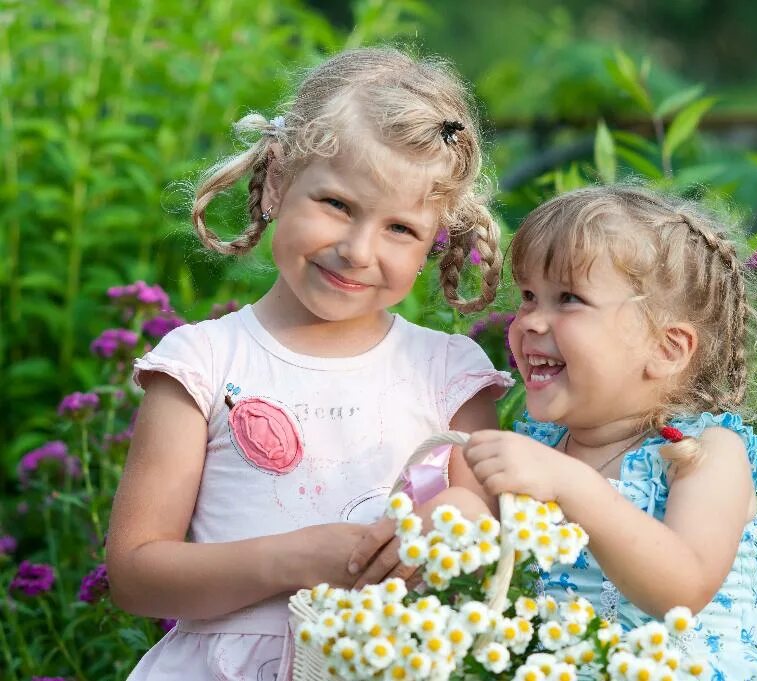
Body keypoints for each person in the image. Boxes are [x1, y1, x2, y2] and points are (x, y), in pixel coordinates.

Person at [107, 47, 512, 680]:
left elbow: (496, 525)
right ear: (276, 183)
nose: (357, 251)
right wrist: (296, 559)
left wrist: (454, 514)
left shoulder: (448, 372)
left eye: (400, 229)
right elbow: (135, 575)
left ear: (437, 238)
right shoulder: (204, 364)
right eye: (338, 205)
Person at [462, 186, 757, 679]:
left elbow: (683, 588)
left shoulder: (703, 452)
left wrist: (571, 485)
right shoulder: (539, 449)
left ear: (666, 348)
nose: (530, 320)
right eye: (530, 296)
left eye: (569, 299)